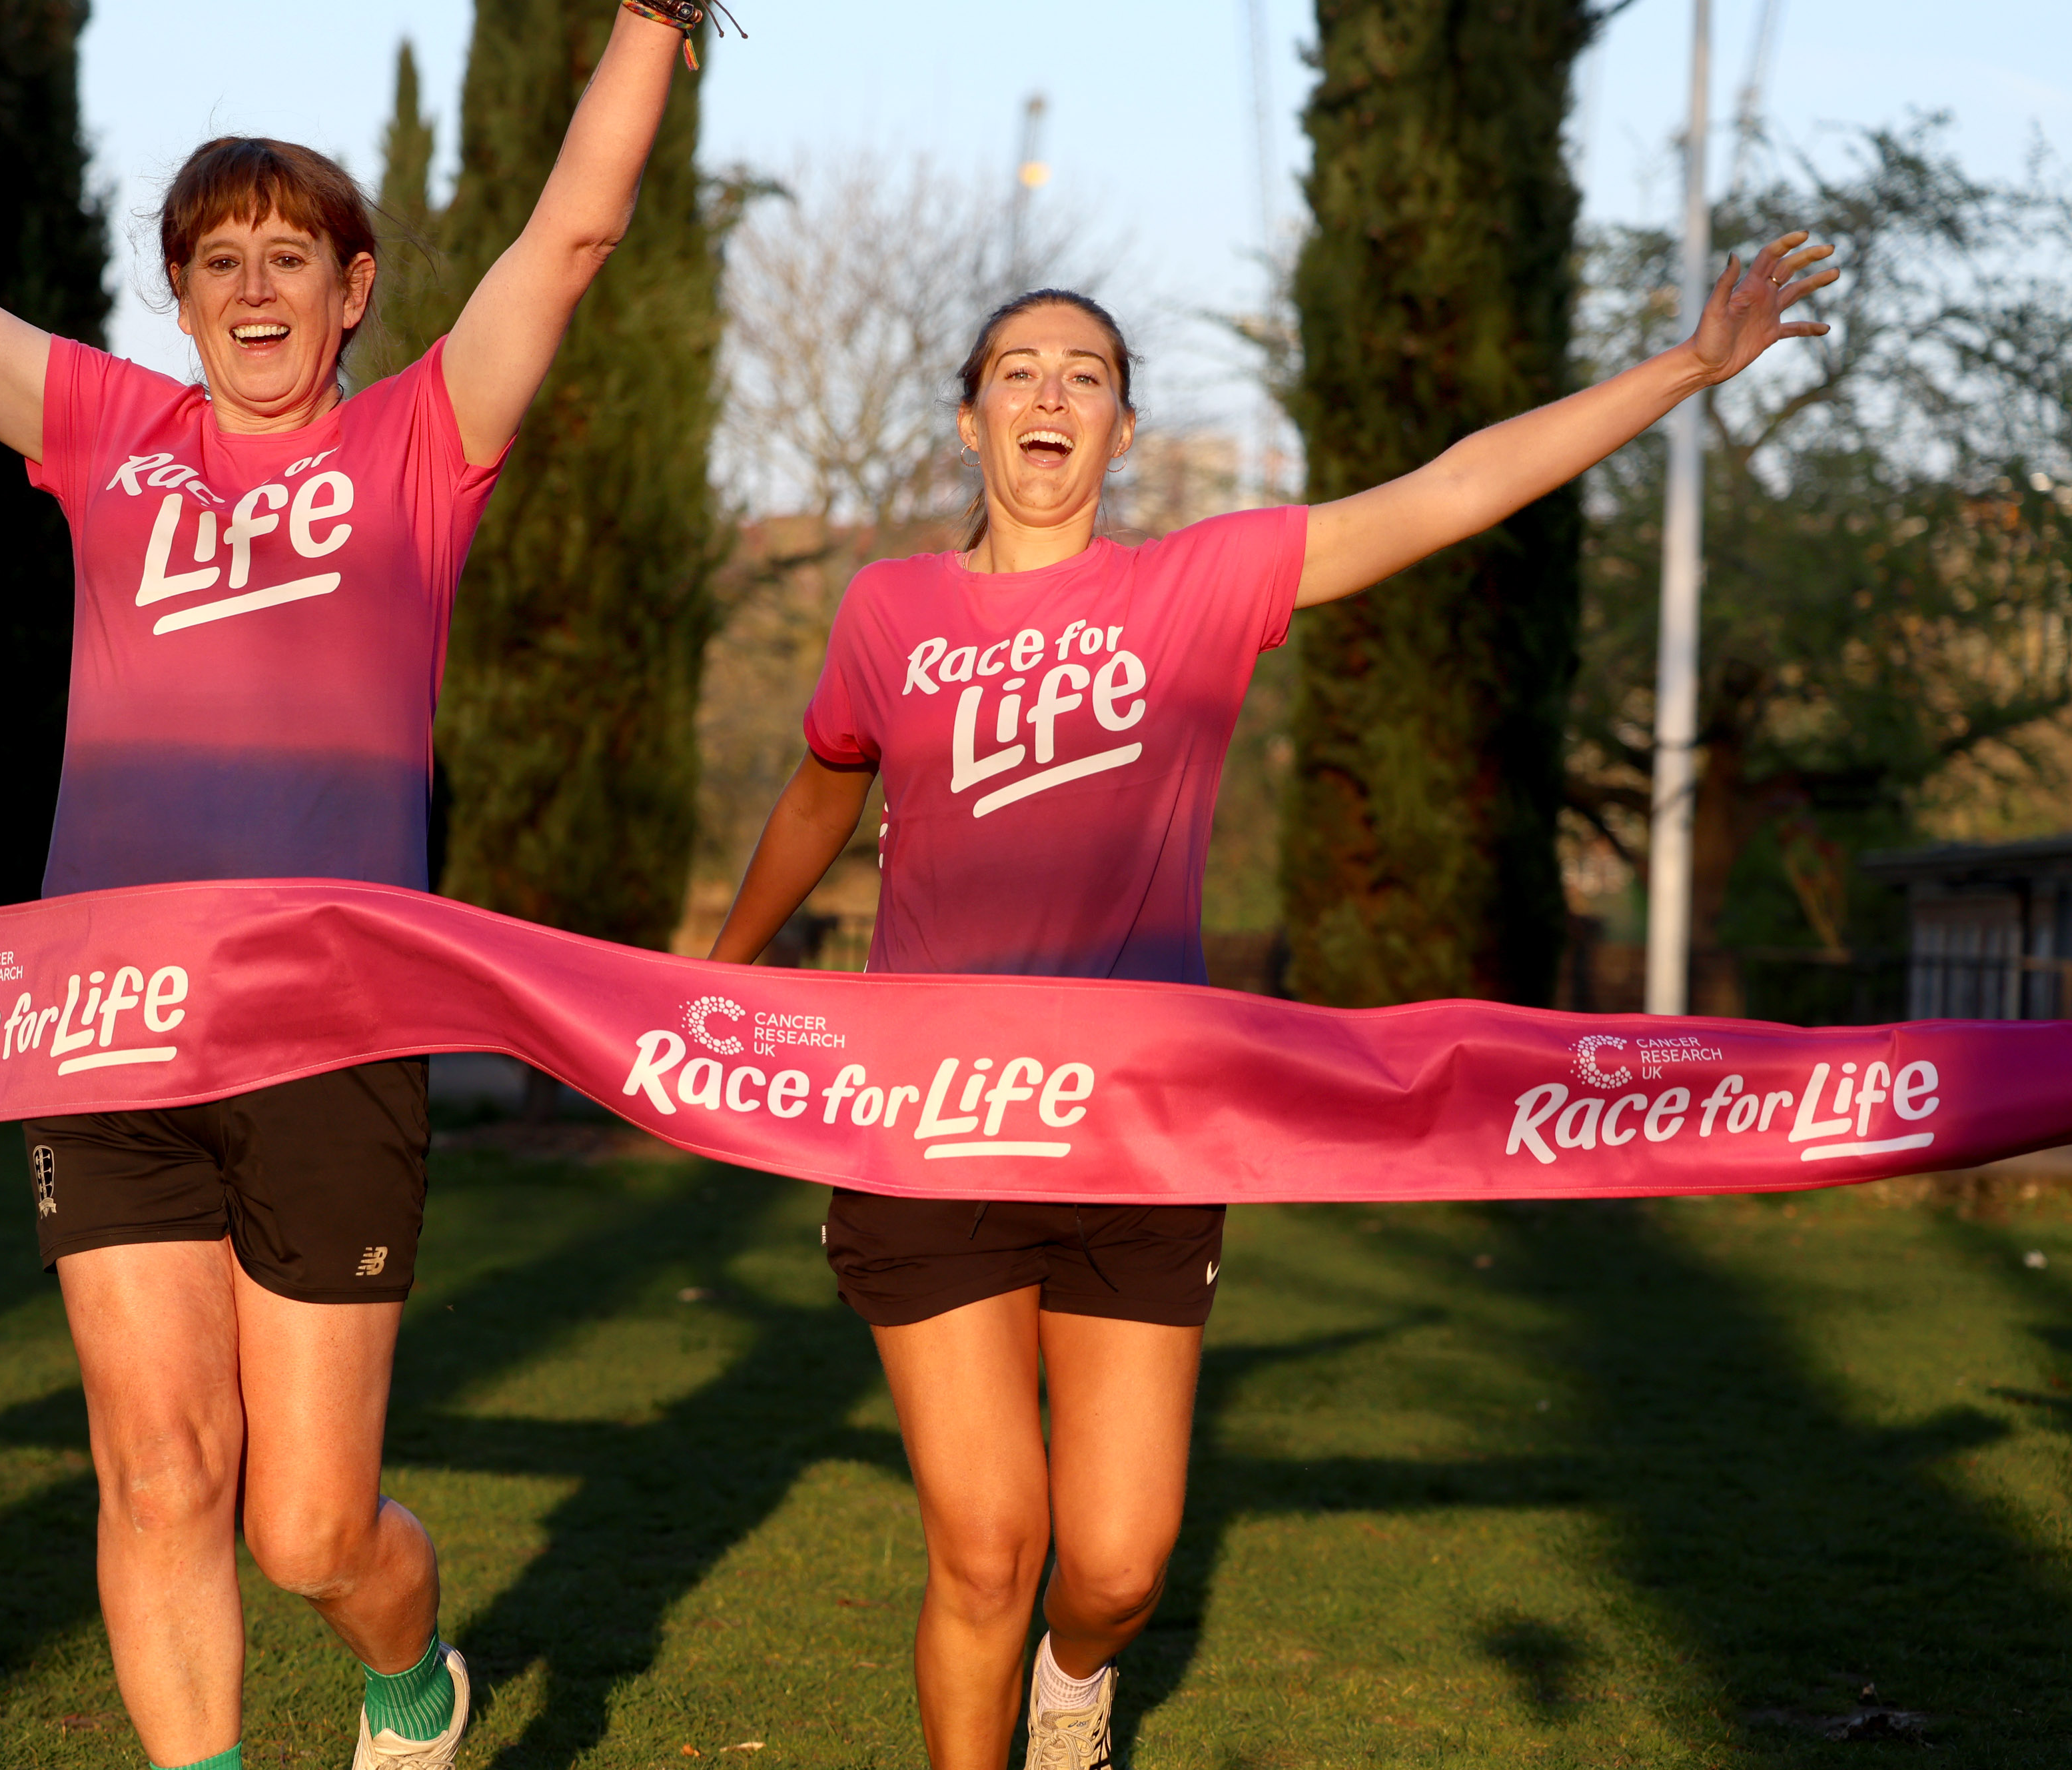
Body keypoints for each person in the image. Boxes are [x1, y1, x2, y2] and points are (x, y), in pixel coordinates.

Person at [0, 3, 708, 1766]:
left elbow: (573, 233)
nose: (253, 286)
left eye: (289, 257)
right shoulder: (105, 429)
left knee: (307, 1529)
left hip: (332, 1037)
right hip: (117, 1025)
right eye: (217, 258)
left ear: (353, 288)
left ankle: (408, 1679)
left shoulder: (417, 443)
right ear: (177, 290)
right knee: (159, 1474)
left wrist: (654, 21)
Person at [708, 239, 1837, 1769]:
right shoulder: (884, 609)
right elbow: (821, 788)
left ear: (1120, 432)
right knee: (984, 1545)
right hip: (935, 1125)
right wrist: (708, 977)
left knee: (1113, 1565)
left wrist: (1687, 370)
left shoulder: (1199, 581)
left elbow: (1450, 489)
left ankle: (1076, 1684)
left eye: (1084, 375)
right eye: (1018, 372)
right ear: (970, 424)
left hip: (1145, 1132)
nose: (1050, 392)